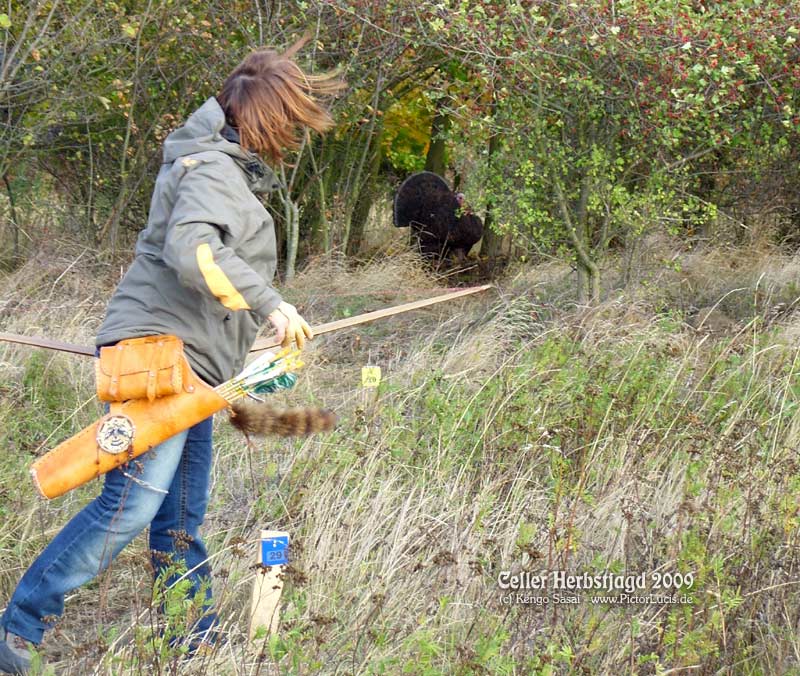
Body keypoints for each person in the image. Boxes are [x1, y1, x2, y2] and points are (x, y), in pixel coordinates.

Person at [0, 46, 342, 675]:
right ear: (261, 118)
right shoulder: (211, 169)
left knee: (179, 514)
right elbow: (194, 253)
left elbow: (210, 283)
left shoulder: (219, 168)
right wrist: (270, 303)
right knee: (127, 506)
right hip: (162, 362)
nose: (291, 136)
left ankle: (191, 636)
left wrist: (257, 344)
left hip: (195, 372)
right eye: (288, 121)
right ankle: (15, 631)